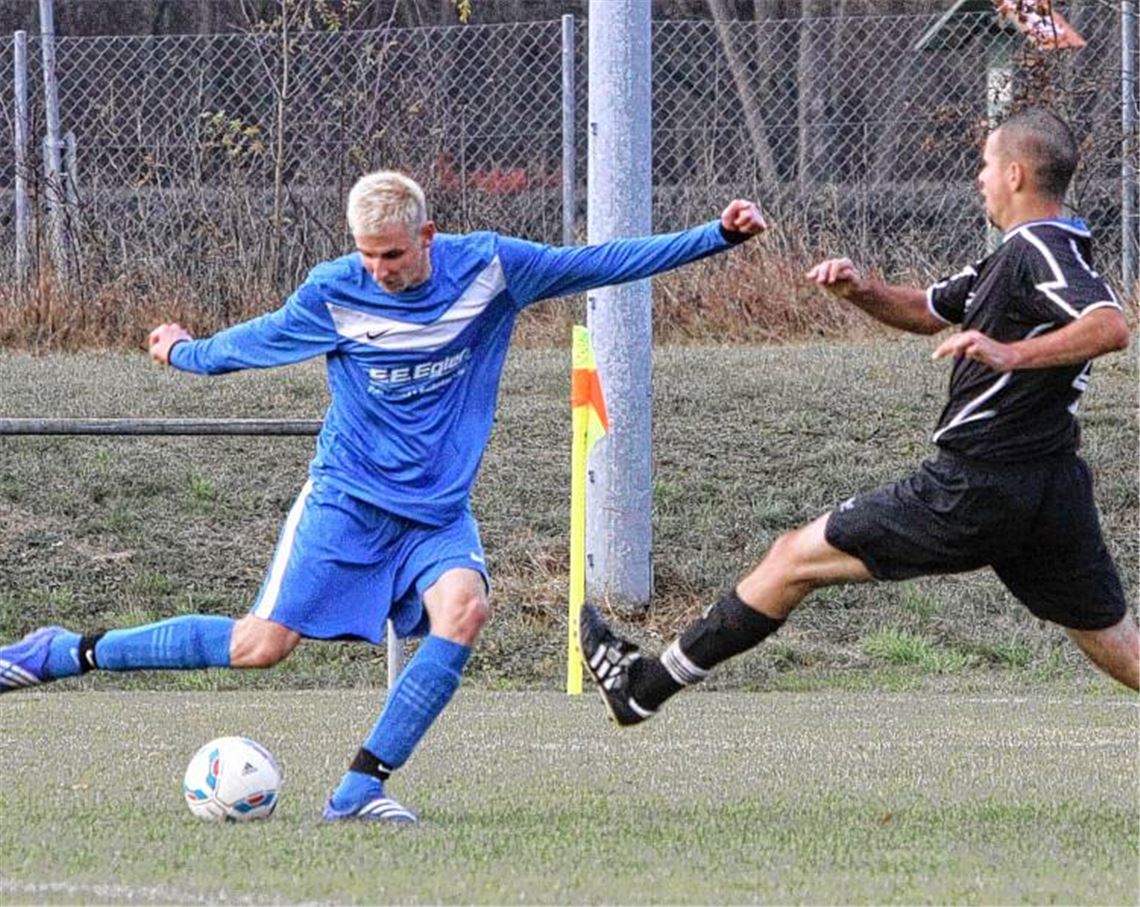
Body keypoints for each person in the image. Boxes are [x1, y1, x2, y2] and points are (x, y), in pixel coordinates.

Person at [0, 170, 767, 822]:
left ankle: (360, 789)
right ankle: (64, 650)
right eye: (366, 255)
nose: (379, 269)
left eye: (392, 254)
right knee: (258, 647)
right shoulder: (334, 292)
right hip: (346, 502)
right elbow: (252, 344)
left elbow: (600, 261)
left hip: (436, 511)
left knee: (464, 610)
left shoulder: (493, 268)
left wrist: (717, 236)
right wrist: (184, 352)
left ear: (427, 235)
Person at [580, 107, 1137, 726]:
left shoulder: (1040, 248)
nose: (977, 177)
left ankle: (643, 688)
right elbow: (929, 309)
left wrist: (1012, 353)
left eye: (984, 164)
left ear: (1015, 174)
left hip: (976, 486)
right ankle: (644, 688)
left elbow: (1110, 326)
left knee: (792, 559)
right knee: (1118, 647)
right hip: (1048, 485)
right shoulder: (1017, 255)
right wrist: (859, 290)